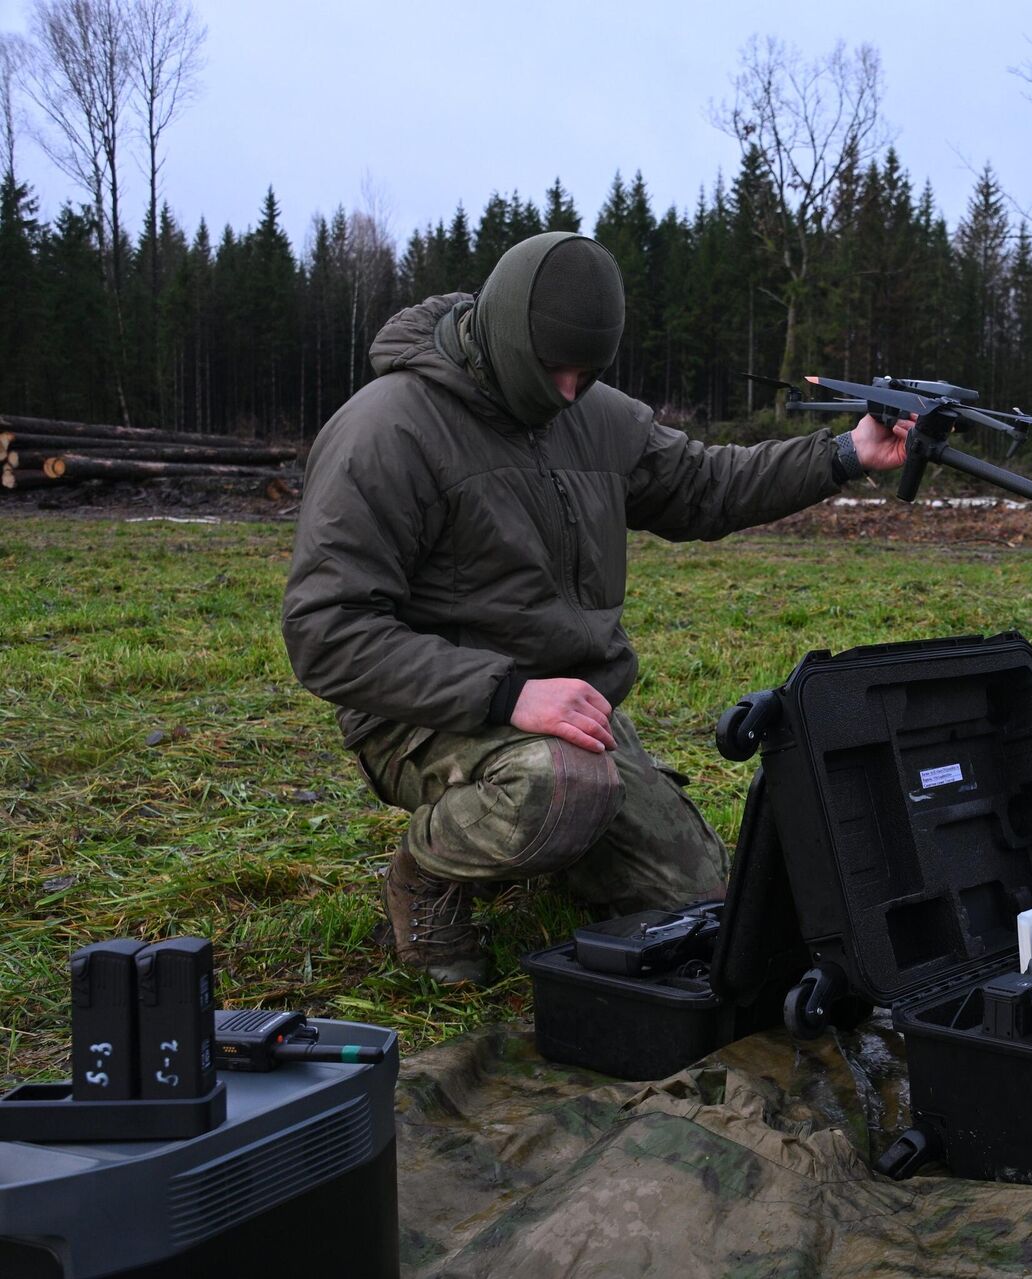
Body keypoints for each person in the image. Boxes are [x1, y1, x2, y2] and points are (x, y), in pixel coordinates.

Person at [282, 231, 908, 985]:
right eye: (555, 370)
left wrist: (844, 453)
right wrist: (509, 693)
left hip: (570, 709)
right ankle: (428, 874)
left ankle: (547, 836)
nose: (571, 391)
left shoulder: (593, 414)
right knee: (559, 787)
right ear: (509, 336)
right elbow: (325, 630)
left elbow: (705, 486)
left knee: (708, 903)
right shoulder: (386, 430)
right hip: (422, 713)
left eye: (590, 371)